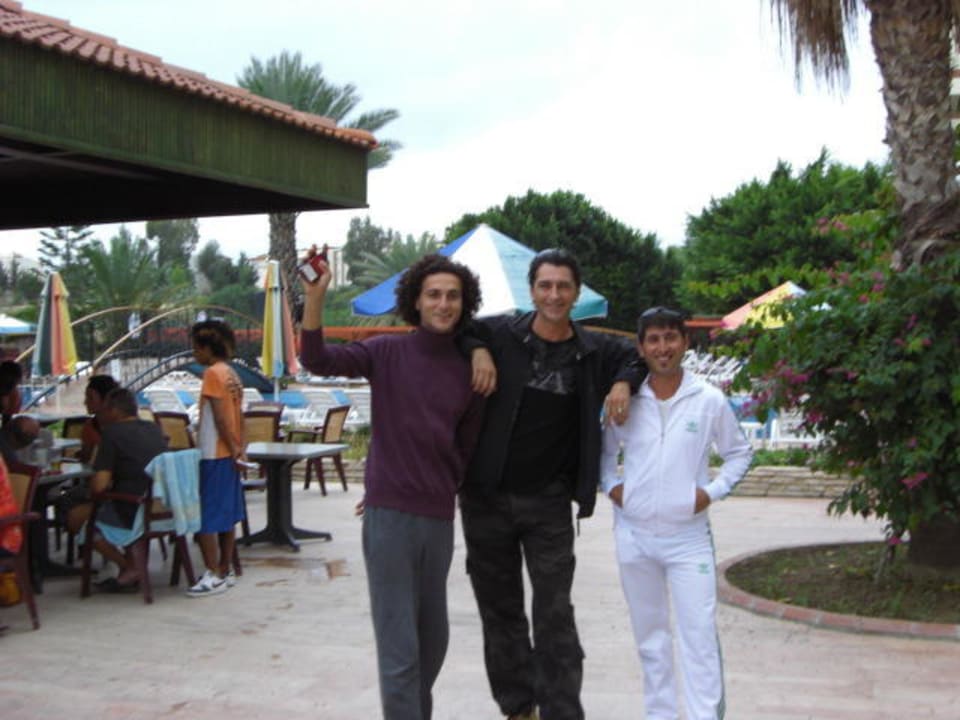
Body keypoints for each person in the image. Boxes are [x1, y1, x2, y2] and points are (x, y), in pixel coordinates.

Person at [299, 251, 487, 720]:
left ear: (463, 303)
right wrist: (315, 299)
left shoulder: (472, 368)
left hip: (438, 518)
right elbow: (316, 359)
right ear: (416, 302)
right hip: (390, 519)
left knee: (433, 640)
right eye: (433, 295)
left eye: (452, 296)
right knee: (400, 648)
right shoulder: (386, 352)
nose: (443, 304)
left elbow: (466, 448)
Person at [460, 248, 641, 720]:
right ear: (532, 290)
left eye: (563, 286)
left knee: (555, 612)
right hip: (486, 499)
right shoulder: (500, 334)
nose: (554, 295)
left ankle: (562, 711)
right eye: (545, 285)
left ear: (576, 293)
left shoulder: (594, 350)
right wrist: (477, 351)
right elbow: (460, 329)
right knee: (499, 610)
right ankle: (519, 708)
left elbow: (637, 354)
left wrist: (622, 383)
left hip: (549, 504)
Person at [599, 307, 753, 720]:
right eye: (653, 339)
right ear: (641, 347)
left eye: (670, 337)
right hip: (634, 537)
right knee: (650, 638)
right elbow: (605, 453)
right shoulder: (626, 399)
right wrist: (614, 488)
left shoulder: (708, 400)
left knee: (698, 636)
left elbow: (740, 453)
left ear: (685, 342)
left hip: (688, 539)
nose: (663, 347)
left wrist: (710, 492)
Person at [65, 388, 168, 591]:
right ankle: (130, 567)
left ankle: (129, 566)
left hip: (133, 507)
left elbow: (99, 486)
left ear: (113, 410)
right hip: (162, 505)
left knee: (78, 519)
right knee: (101, 507)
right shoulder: (154, 429)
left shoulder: (112, 434)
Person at [187, 319, 246, 597]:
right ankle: (225, 568)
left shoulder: (212, 374)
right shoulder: (231, 374)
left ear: (208, 348)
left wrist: (231, 446)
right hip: (230, 453)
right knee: (227, 514)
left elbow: (221, 418)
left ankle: (212, 572)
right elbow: (239, 415)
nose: (194, 353)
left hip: (213, 452)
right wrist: (239, 447)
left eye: (196, 348)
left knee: (207, 516)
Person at [78, 374, 119, 464]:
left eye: (90, 398)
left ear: (106, 400)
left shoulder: (124, 425)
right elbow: (85, 460)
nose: (85, 402)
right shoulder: (89, 427)